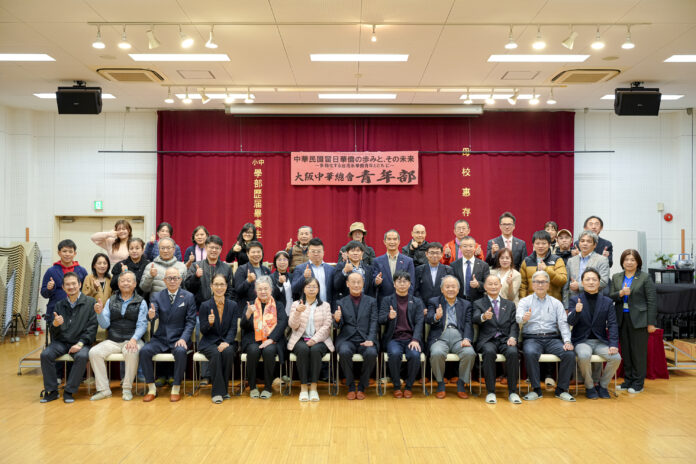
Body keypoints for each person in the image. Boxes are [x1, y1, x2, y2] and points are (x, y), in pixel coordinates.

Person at [516, 270, 575, 402]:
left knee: (569, 354)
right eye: (537, 282)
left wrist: (567, 341)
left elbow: (563, 323)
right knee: (530, 353)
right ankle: (536, 389)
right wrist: (524, 318)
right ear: (533, 284)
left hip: (552, 338)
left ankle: (561, 390)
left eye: (543, 282)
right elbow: (518, 317)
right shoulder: (525, 301)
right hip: (532, 338)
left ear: (548, 285)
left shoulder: (556, 303)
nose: (540, 285)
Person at [88, 271, 147, 401]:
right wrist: (99, 313)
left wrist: (134, 339)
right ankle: (104, 390)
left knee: (131, 351)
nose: (125, 283)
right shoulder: (111, 300)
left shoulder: (141, 302)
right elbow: (105, 324)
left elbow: (142, 324)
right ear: (118, 284)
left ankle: (127, 389)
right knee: (94, 352)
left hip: (133, 339)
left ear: (135, 284)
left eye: (129, 281)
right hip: (113, 340)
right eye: (122, 281)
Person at [140, 267, 196, 402]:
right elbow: (154, 313)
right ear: (164, 280)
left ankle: (176, 388)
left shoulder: (188, 296)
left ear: (180, 280)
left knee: (181, 352)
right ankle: (151, 389)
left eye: (175, 278)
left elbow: (191, 321)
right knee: (144, 351)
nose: (172, 281)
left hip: (179, 337)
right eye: (169, 278)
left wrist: (183, 338)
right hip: (161, 337)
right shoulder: (157, 296)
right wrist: (151, 316)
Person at [39, 272, 97, 403]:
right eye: (67, 285)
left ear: (79, 285)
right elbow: (54, 333)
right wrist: (55, 325)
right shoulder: (59, 305)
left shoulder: (90, 303)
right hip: (61, 342)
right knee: (46, 354)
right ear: (63, 287)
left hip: (81, 342)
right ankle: (52, 391)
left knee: (82, 356)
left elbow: (92, 328)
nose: (71, 287)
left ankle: (69, 391)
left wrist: (80, 344)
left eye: (73, 284)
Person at [567, 268, 621, 400]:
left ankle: (603, 386)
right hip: (582, 341)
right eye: (587, 279)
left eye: (594, 279)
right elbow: (570, 321)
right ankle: (590, 386)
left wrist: (613, 344)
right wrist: (577, 312)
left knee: (616, 358)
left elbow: (612, 324)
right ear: (582, 283)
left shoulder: (607, 301)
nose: (591, 282)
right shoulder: (575, 300)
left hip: (600, 341)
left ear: (599, 282)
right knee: (584, 355)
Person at [609, 249, 657, 394]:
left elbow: (652, 301)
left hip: (639, 320)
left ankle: (638, 383)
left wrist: (651, 323)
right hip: (622, 318)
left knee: (638, 353)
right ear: (622, 262)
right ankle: (628, 380)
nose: (629, 262)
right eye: (626, 260)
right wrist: (620, 293)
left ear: (638, 262)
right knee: (626, 351)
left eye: (632, 260)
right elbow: (611, 296)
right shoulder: (616, 277)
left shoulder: (645, 277)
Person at [473, 275, 521, 404]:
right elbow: (475, 318)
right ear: (485, 287)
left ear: (500, 286)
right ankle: (490, 392)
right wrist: (484, 316)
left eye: (496, 284)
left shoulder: (510, 304)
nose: (493, 286)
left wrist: (512, 337)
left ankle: (513, 392)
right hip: (488, 339)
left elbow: (514, 324)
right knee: (489, 352)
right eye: (490, 284)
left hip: (505, 339)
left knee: (513, 352)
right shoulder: (478, 303)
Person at [427, 276, 476, 399]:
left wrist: (467, 339)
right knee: (436, 353)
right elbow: (428, 319)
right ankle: (440, 383)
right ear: (442, 289)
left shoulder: (466, 304)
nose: (450, 289)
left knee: (469, 353)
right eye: (447, 287)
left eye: (453, 287)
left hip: (459, 338)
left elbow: (468, 324)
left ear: (458, 289)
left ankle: (461, 383)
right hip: (440, 337)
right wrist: (436, 317)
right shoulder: (434, 302)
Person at [379, 271, 424, 398]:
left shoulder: (417, 301)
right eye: (399, 281)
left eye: (405, 281)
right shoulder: (387, 300)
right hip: (394, 338)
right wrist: (389, 316)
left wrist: (415, 339)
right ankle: (397, 386)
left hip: (411, 339)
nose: (402, 284)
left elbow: (420, 322)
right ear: (394, 284)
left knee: (415, 355)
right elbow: (380, 319)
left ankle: (409, 386)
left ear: (409, 284)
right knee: (394, 354)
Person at [288, 277, 334, 402]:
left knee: (315, 350)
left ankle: (314, 388)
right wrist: (297, 312)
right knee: (303, 350)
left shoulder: (325, 305)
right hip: (300, 338)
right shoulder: (296, 304)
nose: (311, 289)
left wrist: (314, 339)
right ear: (304, 289)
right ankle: (303, 388)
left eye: (314, 287)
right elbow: (293, 326)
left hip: (320, 340)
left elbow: (327, 326)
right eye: (309, 286)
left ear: (318, 289)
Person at [241, 276, 287, 399]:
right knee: (253, 350)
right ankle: (253, 387)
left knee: (269, 351)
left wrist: (271, 339)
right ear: (256, 291)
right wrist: (248, 314)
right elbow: (243, 326)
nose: (263, 291)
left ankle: (267, 387)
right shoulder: (250, 305)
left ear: (271, 290)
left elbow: (283, 323)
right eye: (260, 289)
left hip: (273, 339)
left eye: (266, 289)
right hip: (253, 338)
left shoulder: (278, 305)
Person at [335, 272, 378, 400]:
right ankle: (351, 386)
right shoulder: (341, 302)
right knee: (344, 352)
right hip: (347, 339)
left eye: (359, 282)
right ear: (347, 284)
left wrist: (370, 339)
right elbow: (338, 325)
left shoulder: (371, 301)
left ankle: (362, 387)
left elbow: (374, 322)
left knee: (371, 353)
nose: (356, 285)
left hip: (365, 338)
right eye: (353, 282)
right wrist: (337, 320)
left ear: (363, 284)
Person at [198, 274, 240, 403]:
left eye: (222, 284)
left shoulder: (233, 305)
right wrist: (209, 324)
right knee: (216, 354)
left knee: (228, 352)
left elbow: (233, 328)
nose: (219, 287)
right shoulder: (205, 305)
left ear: (226, 286)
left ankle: (223, 390)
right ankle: (218, 392)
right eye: (216, 284)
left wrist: (226, 342)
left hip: (227, 341)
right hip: (209, 342)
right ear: (211, 286)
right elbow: (203, 330)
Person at [41, 239, 89, 323]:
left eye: (70, 251)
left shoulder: (82, 271)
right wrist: (49, 289)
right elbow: (44, 293)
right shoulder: (51, 271)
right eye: (64, 251)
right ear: (59, 253)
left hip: (77, 311)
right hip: (56, 311)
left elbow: (86, 292)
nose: (67, 254)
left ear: (75, 253)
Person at [185, 235, 235, 308]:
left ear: (220, 250)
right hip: (199, 308)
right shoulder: (195, 266)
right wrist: (196, 277)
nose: (214, 250)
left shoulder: (227, 268)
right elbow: (188, 288)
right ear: (206, 247)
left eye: (217, 248)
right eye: (211, 247)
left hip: (221, 308)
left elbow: (230, 290)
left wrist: (224, 305)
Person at [563, 230, 610, 307]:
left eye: (589, 241)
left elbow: (603, 281)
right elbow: (566, 285)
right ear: (579, 243)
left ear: (595, 245)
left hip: (594, 301)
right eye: (582, 241)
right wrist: (566, 306)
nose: (585, 243)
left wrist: (579, 286)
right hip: (573, 301)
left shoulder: (602, 260)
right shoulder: (571, 261)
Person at [519, 231, 567, 301]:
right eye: (537, 243)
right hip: (531, 302)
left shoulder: (557, 260)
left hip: (552, 302)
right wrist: (523, 302)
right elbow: (523, 285)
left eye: (544, 243)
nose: (540, 246)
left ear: (549, 244)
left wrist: (546, 270)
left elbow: (562, 281)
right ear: (533, 244)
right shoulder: (526, 261)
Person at [372, 230, 416, 307]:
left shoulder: (408, 261)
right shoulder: (377, 261)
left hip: (403, 302)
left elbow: (411, 284)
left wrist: (408, 302)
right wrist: (376, 281)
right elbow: (373, 283)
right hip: (383, 302)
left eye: (395, 239)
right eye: (389, 239)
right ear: (384, 242)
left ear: (399, 242)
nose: (392, 242)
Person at [291, 238, 335, 308]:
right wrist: (304, 277)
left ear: (323, 253)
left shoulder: (331, 269)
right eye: (313, 251)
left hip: (327, 308)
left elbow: (334, 291)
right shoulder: (300, 268)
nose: (316, 254)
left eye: (319, 251)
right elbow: (294, 289)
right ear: (308, 253)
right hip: (307, 309)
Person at [82, 253, 113, 341]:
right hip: (92, 312)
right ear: (94, 265)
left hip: (108, 312)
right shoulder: (89, 278)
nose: (102, 266)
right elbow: (84, 297)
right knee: (92, 337)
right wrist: (94, 288)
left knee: (107, 337)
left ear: (108, 265)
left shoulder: (110, 278)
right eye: (99, 263)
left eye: (105, 263)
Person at [414, 242, 454, 309]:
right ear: (426, 254)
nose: (435, 255)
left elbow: (451, 290)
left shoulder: (448, 270)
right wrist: (421, 306)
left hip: (443, 306)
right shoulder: (419, 270)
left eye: (437, 253)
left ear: (441, 254)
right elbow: (416, 291)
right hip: (424, 307)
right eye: (432, 253)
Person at [451, 236, 490, 303]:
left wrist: (478, 284)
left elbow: (488, 285)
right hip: (459, 301)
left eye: (471, 246)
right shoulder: (454, 265)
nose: (468, 249)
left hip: (478, 301)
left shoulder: (484, 265)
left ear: (474, 247)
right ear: (460, 248)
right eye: (465, 246)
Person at [234, 241, 272, 305]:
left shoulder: (266, 270)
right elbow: (237, 291)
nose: (256, 254)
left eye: (258, 252)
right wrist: (248, 281)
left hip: (265, 307)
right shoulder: (242, 269)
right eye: (253, 252)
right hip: (248, 306)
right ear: (247, 254)